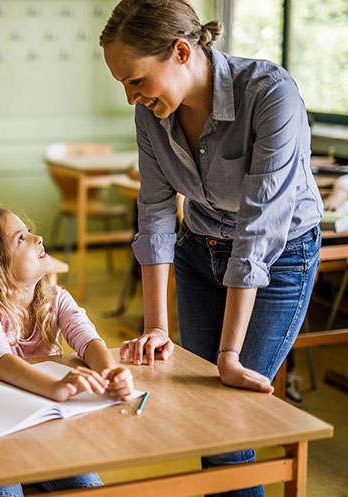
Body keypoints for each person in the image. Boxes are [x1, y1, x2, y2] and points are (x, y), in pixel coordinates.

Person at [100, 1, 322, 495]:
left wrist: (228, 352)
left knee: (224, 414)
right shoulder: (152, 114)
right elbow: (156, 213)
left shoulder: (269, 93)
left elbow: (260, 232)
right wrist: (156, 327)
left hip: (278, 257)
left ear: (181, 51)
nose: (130, 97)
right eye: (122, 85)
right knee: (203, 418)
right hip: (199, 251)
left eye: (135, 80)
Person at [0, 208, 133, 497]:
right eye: (21, 238)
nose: (38, 238)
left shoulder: (57, 299)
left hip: (47, 429)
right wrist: (55, 388)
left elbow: (88, 339)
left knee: (90, 488)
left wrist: (110, 371)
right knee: (5, 490)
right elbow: (1, 361)